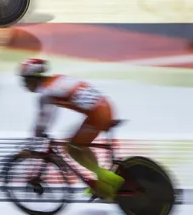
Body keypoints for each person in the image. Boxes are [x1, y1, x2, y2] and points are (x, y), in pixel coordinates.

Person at [17, 58, 124, 200]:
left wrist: (31, 144)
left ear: (33, 78)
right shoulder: (55, 79)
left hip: (97, 114)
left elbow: (42, 122)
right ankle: (102, 181)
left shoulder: (45, 92)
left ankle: (108, 179)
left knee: (72, 147)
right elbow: (49, 117)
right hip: (103, 107)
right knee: (77, 144)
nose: (23, 84)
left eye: (24, 80)